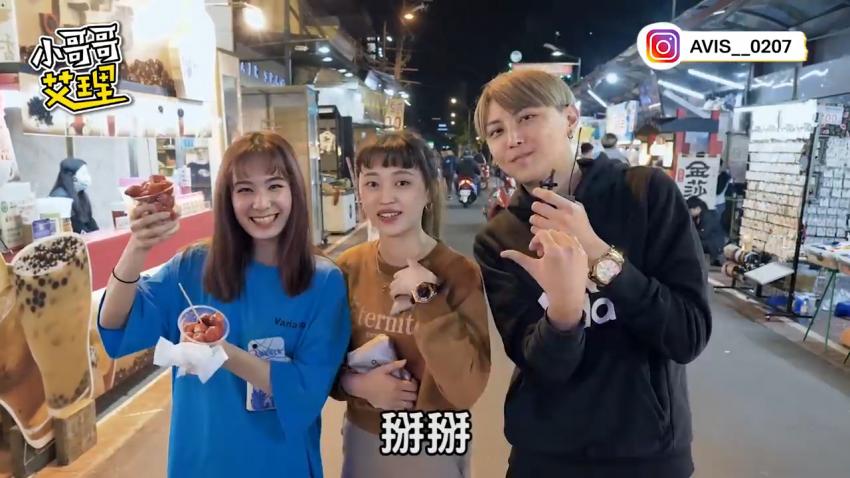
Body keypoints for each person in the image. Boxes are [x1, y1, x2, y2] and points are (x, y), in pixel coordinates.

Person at [472, 69, 711, 477]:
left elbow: (686, 334)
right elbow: (542, 367)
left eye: (527, 117)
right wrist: (564, 312)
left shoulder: (646, 193)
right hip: (545, 456)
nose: (512, 138)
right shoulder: (499, 238)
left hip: (647, 453)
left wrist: (598, 253)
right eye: (496, 131)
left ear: (570, 118)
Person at [97, 132, 351, 477]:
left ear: (294, 191)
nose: (261, 203)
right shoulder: (194, 266)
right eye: (245, 189)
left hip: (279, 463)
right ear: (228, 198)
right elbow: (115, 323)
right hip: (200, 461)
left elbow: (306, 390)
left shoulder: (322, 282)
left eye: (275, 186)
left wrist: (219, 350)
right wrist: (137, 247)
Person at [333, 131, 490, 477]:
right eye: (372, 183)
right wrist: (358, 385)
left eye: (402, 182)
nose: (386, 197)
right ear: (360, 193)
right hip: (364, 430)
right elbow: (320, 362)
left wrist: (427, 297)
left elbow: (466, 389)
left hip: (434, 433)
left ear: (428, 192)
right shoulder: (348, 267)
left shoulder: (458, 273)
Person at [49, 158, 98, 233]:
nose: (88, 177)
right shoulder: (60, 197)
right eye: (84, 174)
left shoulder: (80, 195)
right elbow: (75, 225)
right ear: (73, 178)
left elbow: (88, 221)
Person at [687, 196, 726, 267]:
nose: (689, 213)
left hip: (714, 244)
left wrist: (691, 230)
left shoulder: (708, 216)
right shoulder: (696, 217)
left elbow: (704, 234)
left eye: (690, 210)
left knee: (692, 243)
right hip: (708, 241)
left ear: (697, 208)